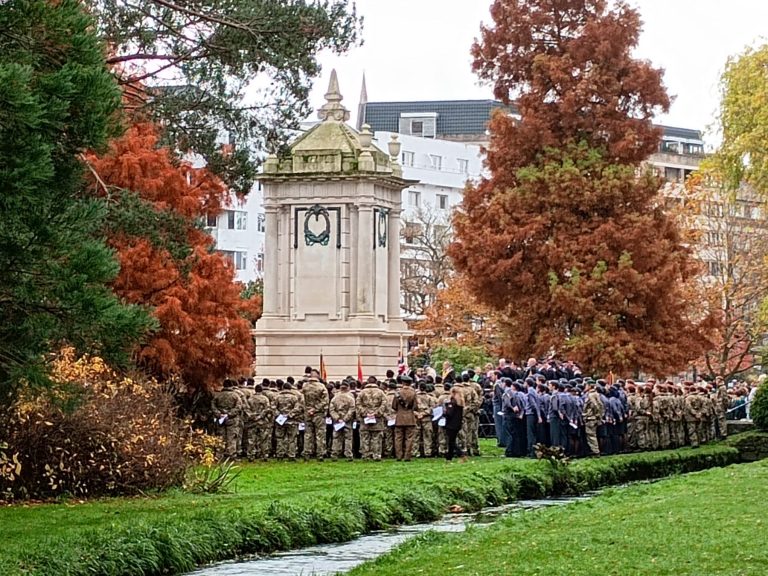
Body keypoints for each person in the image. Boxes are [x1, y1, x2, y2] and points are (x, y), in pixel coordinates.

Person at [356, 376, 388, 461]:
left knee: (365, 437)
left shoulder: (362, 392)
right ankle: (376, 455)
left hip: (365, 418)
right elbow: (384, 404)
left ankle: (365, 455)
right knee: (376, 437)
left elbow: (358, 404)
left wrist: (365, 413)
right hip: (377, 419)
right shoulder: (381, 392)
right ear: (376, 382)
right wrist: (376, 413)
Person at [302, 370, 330, 461]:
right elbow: (325, 401)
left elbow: (301, 400)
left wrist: (308, 410)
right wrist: (315, 409)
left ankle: (307, 453)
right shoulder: (321, 387)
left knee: (308, 434)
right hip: (318, 414)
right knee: (320, 434)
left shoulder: (304, 386)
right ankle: (320, 454)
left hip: (307, 413)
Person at [212, 378, 243, 459]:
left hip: (220, 419)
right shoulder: (235, 395)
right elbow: (238, 407)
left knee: (220, 436)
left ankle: (219, 454)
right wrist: (229, 414)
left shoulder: (217, 395)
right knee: (232, 437)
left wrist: (219, 414)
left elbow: (213, 406)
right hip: (232, 419)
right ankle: (231, 454)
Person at [274, 381, 304, 460]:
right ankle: (291, 455)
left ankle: (280, 454)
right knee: (292, 439)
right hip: (292, 421)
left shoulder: (277, 397)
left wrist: (280, 415)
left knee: (280, 438)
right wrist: (289, 415)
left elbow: (273, 408)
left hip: (280, 420)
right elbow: (298, 408)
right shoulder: (294, 397)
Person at [392, 375, 417, 461]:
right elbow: (415, 406)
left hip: (399, 418)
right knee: (409, 438)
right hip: (410, 418)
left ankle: (399, 456)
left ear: (402, 382)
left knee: (398, 438)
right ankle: (407, 456)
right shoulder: (413, 393)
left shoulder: (398, 393)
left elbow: (394, 406)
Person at [329, 380, 356, 461]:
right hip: (347, 421)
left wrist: (337, 418)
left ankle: (334, 454)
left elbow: (331, 410)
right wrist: (345, 418)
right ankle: (348, 454)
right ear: (348, 388)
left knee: (336, 437)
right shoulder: (351, 398)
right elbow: (352, 409)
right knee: (348, 438)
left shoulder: (334, 398)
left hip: (337, 421)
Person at [443, 386, 465, 461]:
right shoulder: (461, 402)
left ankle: (460, 453)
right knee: (452, 440)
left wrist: (445, 410)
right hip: (457, 423)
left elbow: (449, 413)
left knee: (451, 441)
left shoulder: (452, 402)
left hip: (451, 423)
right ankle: (449, 456)